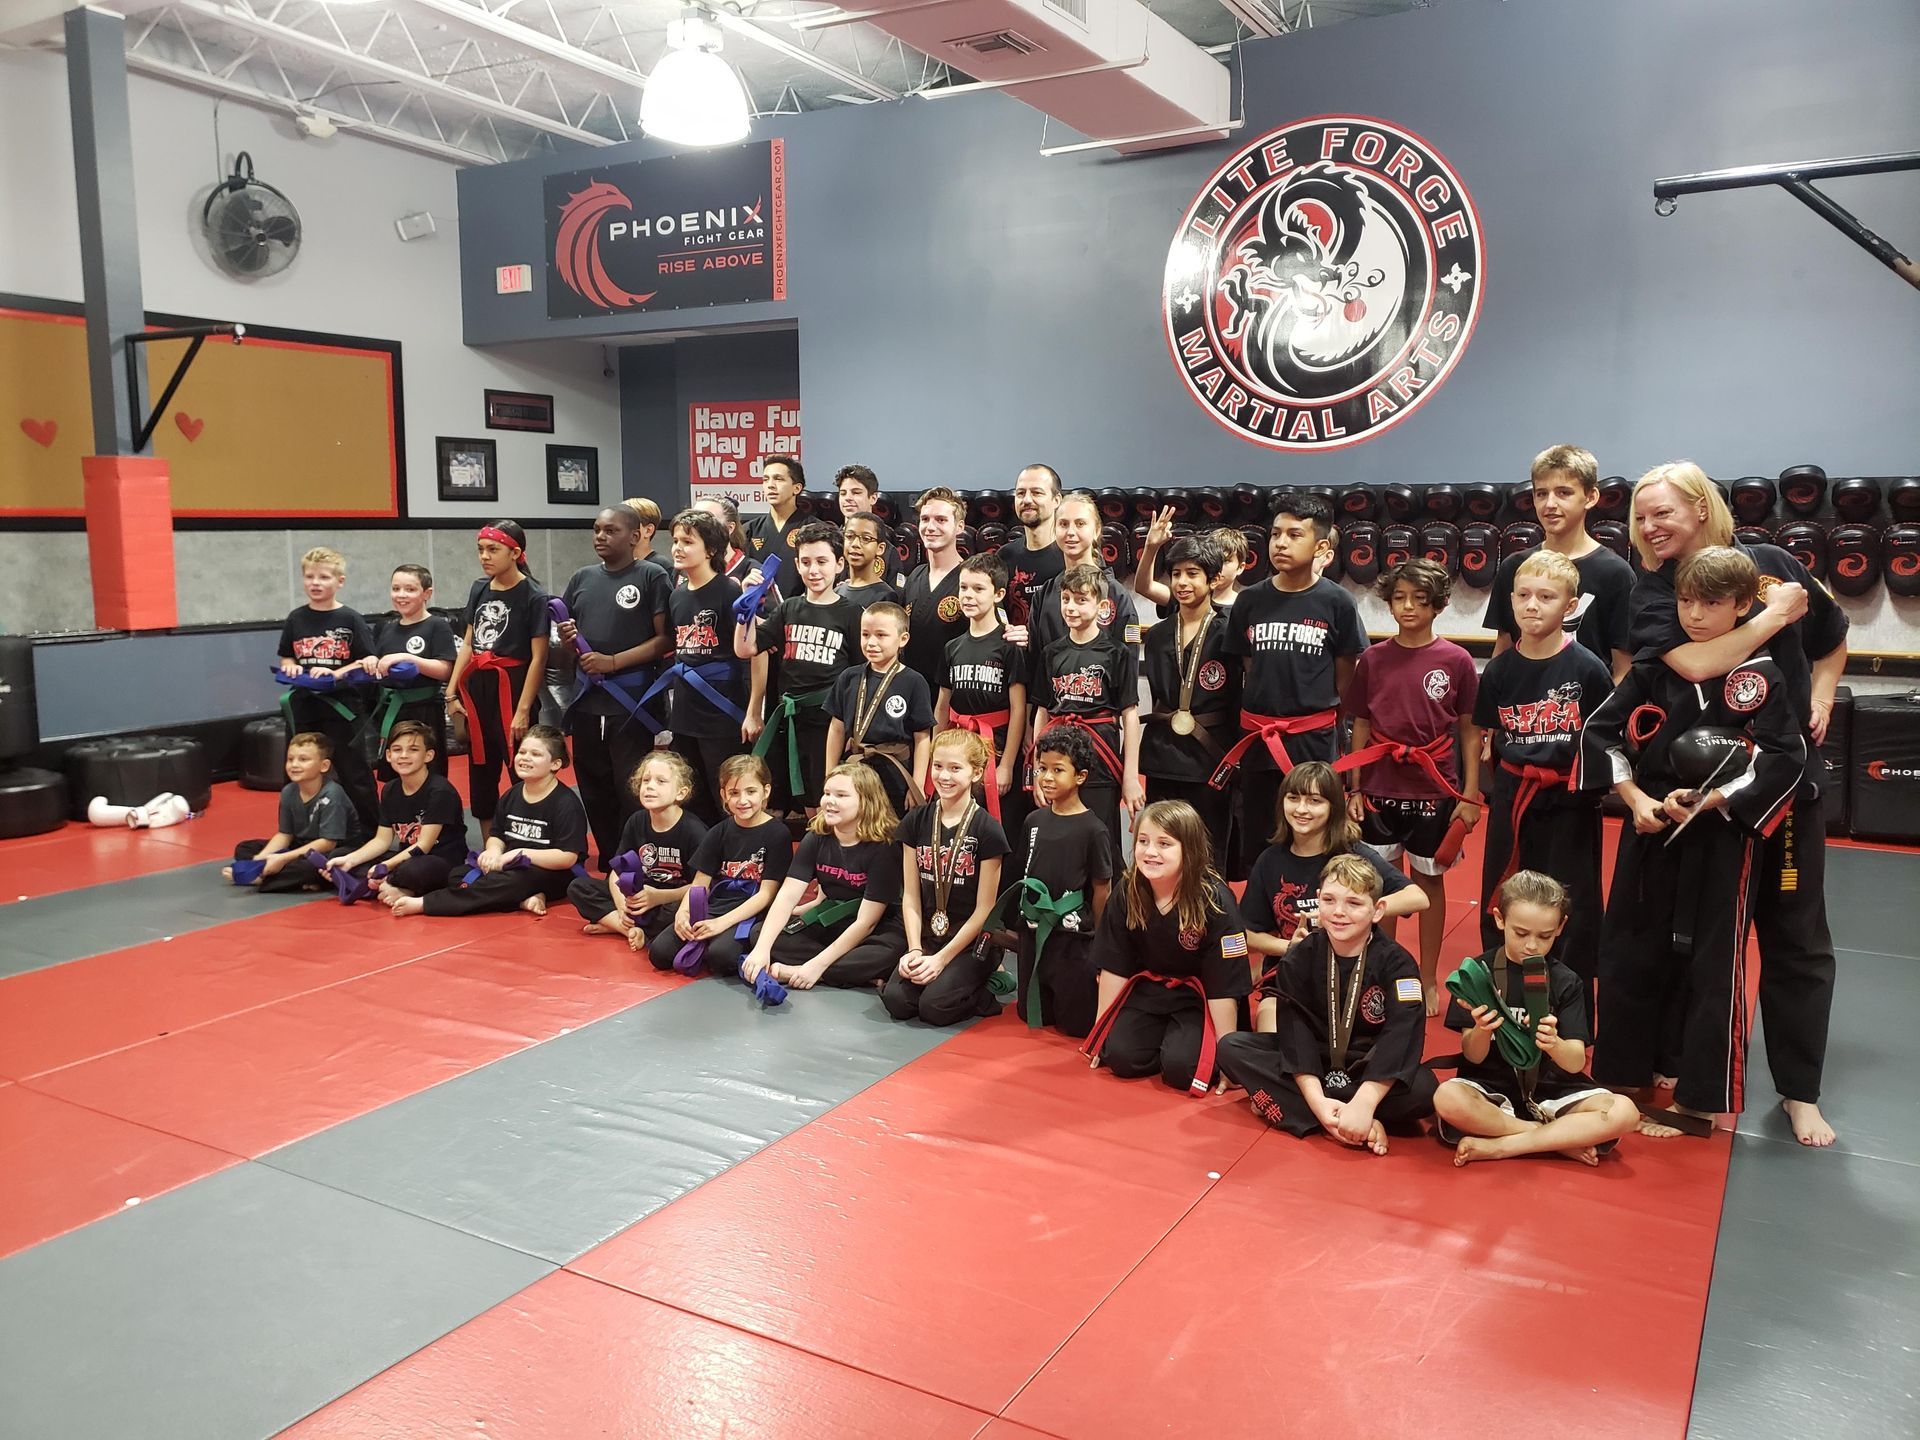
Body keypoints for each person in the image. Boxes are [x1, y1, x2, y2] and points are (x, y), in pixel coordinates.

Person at [1627, 461, 1846, 1148]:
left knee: (1796, 937)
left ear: (1700, 508)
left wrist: (1820, 692)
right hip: (1699, 796)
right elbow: (1694, 664)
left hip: (1782, 785)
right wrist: (1774, 616)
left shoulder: (1770, 563)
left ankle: (1798, 1092)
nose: (1650, 527)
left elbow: (1832, 635)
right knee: (1700, 942)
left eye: (1662, 512)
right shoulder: (1653, 589)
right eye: (1640, 516)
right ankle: (1693, 1080)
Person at [1581, 545, 1808, 1139]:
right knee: (1628, 942)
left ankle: (1699, 1100)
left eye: (1711, 604)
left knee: (1716, 958)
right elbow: (1600, 733)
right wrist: (1636, 801)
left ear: (1741, 606)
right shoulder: (1658, 666)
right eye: (1686, 600)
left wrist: (1711, 799)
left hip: (1723, 830)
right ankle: (1623, 1072)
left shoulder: (1760, 674)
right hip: (1651, 819)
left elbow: (1786, 756)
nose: (1695, 615)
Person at [1214, 854, 1438, 1153]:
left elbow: (1402, 1034)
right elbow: (1295, 1033)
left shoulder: (1398, 964)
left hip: (1367, 1064)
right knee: (1231, 1048)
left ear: (1378, 909)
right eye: (1330, 900)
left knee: (1425, 1090)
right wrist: (1318, 1103)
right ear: (1318, 901)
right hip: (1315, 1061)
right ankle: (1348, 1121)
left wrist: (1365, 1100)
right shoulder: (1299, 957)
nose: (1339, 912)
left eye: (1354, 903)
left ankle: (1327, 1110)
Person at [1472, 550, 1613, 1015]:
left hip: (1569, 797)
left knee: (1572, 901)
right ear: (1511, 601)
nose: (1533, 606)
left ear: (1570, 607)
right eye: (1524, 596)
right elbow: (1487, 734)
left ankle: (1571, 1010)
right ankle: (1500, 1002)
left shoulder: (1589, 669)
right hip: (1514, 796)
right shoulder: (1498, 671)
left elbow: (1604, 738)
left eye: (1546, 597)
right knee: (1504, 892)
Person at [1345, 557, 1482, 1013]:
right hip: (1380, 782)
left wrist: (1469, 796)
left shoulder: (1456, 660)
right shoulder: (1373, 658)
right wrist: (1354, 788)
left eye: (1419, 601)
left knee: (1429, 882)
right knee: (1381, 887)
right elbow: (1360, 725)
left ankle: (1425, 977)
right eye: (1399, 598)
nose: (1407, 608)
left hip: (1434, 785)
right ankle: (1387, 972)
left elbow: (1468, 731)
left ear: (1439, 606)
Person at [1436, 871, 1640, 1166]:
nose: (1531, 945)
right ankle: (1555, 1140)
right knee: (1446, 1097)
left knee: (1624, 1112)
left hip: (1550, 1087)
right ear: (1500, 919)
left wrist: (1553, 1043)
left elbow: (1574, 1062)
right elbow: (1473, 1056)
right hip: (1491, 1085)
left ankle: (1503, 1147)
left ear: (1560, 927)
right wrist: (1482, 1030)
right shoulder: (1477, 972)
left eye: (1544, 936)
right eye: (1521, 933)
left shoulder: (1566, 981)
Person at [1214, 491, 1367, 879]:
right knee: (1261, 839)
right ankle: (1262, 922)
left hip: (1312, 738)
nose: (1280, 543)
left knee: (1315, 835)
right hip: (1260, 739)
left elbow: (1346, 678)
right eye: (1276, 533)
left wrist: (1324, 721)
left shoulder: (1337, 603)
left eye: (1294, 535)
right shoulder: (1250, 601)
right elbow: (1250, 666)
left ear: (1320, 546)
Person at [1084, 800, 1248, 1095]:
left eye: (1165, 844)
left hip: (1199, 1000)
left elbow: (1225, 986)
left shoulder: (1215, 901)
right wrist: (1100, 1031)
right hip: (1150, 992)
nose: (1150, 852)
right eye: (1143, 841)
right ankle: (1162, 1040)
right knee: (1120, 1057)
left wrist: (1230, 1059)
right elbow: (1114, 964)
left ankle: (1178, 1045)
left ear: (1190, 849)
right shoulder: (1130, 890)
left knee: (1182, 1069)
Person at [558, 505, 673, 871]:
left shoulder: (651, 576)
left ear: (635, 536)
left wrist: (613, 661)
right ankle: (609, 854)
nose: (600, 537)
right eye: (597, 530)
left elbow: (664, 640)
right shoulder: (582, 578)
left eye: (611, 531)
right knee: (592, 779)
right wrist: (568, 641)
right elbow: (570, 645)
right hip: (588, 698)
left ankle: (635, 854)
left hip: (634, 698)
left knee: (632, 782)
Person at [881, 729, 1012, 1026]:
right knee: (897, 1001)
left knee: (934, 1007)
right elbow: (911, 896)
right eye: (938, 766)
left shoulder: (988, 830)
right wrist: (915, 949)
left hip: (972, 942)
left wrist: (941, 960)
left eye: (955, 768)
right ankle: (939, 974)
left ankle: (984, 987)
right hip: (929, 937)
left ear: (976, 772)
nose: (944, 776)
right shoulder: (916, 821)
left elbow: (985, 909)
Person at [1241, 761, 1426, 972]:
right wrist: (1290, 947)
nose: (1301, 809)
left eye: (1314, 801)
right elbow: (1247, 933)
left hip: (1351, 971)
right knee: (1269, 1007)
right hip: (1294, 970)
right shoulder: (1269, 861)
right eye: (1293, 798)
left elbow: (1417, 898)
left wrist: (1356, 908)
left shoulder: (1352, 853)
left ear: (1333, 807)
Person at [740, 763, 906, 993]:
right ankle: (848, 974)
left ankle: (803, 970)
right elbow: (787, 895)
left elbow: (866, 923)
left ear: (866, 801)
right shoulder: (817, 836)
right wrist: (762, 949)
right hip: (833, 921)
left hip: (876, 928)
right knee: (760, 933)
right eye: (827, 793)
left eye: (841, 795)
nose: (829, 801)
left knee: (886, 953)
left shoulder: (883, 847)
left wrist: (817, 966)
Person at [392, 725, 586, 918]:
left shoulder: (565, 802)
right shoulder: (512, 795)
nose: (525, 758)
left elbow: (567, 857)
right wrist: (493, 850)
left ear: (555, 764)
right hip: (509, 867)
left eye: (535, 754)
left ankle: (426, 904)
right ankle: (521, 900)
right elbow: (496, 834)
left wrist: (520, 853)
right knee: (457, 875)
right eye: (522, 752)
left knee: (512, 882)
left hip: (551, 872)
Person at [739, 520, 862, 819]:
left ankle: (826, 858)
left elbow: (861, 676)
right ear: (796, 564)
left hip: (828, 722)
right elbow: (746, 648)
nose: (814, 570)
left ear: (839, 564)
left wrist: (853, 727)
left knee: (823, 797)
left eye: (822, 561)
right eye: (806, 562)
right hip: (787, 718)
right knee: (781, 794)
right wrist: (748, 604)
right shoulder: (788, 608)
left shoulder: (851, 613)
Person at [1482, 445, 1634, 680]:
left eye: (1564, 493)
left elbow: (1623, 669)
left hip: (1586, 708)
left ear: (1591, 497)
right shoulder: (1514, 567)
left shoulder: (1615, 573)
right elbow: (1503, 648)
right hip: (1522, 709)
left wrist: (1600, 716)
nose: (1550, 504)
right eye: (1542, 493)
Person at [1000, 726, 1114, 1038]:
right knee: (1030, 1013)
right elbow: (1023, 871)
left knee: (1075, 1025)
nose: (1047, 778)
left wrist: (1100, 942)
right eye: (1042, 769)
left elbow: (1102, 888)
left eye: (1057, 770)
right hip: (1034, 933)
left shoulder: (1094, 830)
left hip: (1073, 938)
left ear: (1080, 776)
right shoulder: (1033, 821)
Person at [1031, 562, 1144, 851]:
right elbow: (1043, 711)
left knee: (1101, 839)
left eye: (1082, 600)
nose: (1071, 607)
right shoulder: (1051, 653)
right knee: (1058, 837)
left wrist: (1130, 776)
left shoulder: (1115, 652)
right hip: (1057, 757)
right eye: (1066, 599)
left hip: (1100, 758)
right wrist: (1037, 769)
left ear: (1101, 605)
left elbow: (1130, 715)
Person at [443, 521, 548, 831]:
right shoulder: (480, 588)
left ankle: (532, 835)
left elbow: (539, 657)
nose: (484, 557)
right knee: (480, 766)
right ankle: (490, 843)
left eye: (493, 550)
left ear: (515, 553)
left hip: (513, 687)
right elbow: (467, 643)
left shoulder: (534, 595)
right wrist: (451, 694)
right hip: (477, 687)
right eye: (480, 550)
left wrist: (524, 709)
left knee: (522, 764)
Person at [648, 755, 792, 979]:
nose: (742, 800)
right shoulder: (719, 831)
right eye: (734, 793)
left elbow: (766, 894)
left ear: (766, 791)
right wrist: (684, 914)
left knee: (721, 957)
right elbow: (700, 883)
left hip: (750, 912)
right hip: (716, 906)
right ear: (724, 795)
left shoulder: (777, 834)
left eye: (750, 792)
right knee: (659, 953)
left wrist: (721, 924)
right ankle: (707, 939)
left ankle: (715, 942)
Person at [1139, 535, 1240, 839]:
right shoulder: (1157, 636)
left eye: (1192, 574)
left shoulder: (1229, 634)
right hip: (1163, 754)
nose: (1182, 582)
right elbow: (1157, 698)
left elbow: (1237, 700)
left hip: (1211, 754)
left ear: (1213, 580)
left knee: (1208, 845)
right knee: (1163, 840)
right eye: (1176, 574)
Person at [276, 545, 379, 834]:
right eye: (310, 577)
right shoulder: (296, 618)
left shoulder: (350, 619)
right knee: (299, 767)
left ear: (339, 581)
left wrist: (336, 673)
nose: (315, 583)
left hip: (342, 708)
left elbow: (368, 660)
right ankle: (298, 830)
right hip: (304, 706)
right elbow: (286, 655)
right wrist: (291, 666)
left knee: (353, 770)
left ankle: (371, 830)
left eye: (323, 577)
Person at [663, 508, 751, 824]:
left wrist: (753, 710)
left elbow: (750, 651)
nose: (678, 548)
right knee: (689, 790)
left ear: (710, 550)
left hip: (722, 709)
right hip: (685, 709)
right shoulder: (677, 596)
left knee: (726, 788)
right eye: (675, 540)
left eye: (687, 541)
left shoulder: (729, 590)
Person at [568, 750, 707, 951]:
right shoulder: (636, 821)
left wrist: (658, 896)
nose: (650, 786)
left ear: (681, 793)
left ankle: (620, 924)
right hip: (639, 897)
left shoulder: (693, 831)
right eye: (646, 780)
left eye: (661, 781)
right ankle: (626, 927)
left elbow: (700, 887)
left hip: (669, 900)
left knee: (685, 912)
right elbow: (618, 869)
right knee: (578, 888)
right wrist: (621, 905)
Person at [318, 721, 467, 901]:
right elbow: (382, 840)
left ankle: (389, 884)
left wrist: (385, 868)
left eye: (413, 750)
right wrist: (351, 860)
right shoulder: (390, 790)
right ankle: (391, 885)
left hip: (438, 860)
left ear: (428, 755)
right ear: (388, 755)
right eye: (397, 750)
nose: (403, 756)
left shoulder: (440, 791)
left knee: (414, 870)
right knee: (338, 857)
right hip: (404, 858)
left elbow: (423, 846)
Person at [935, 553, 1026, 821]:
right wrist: (935, 755)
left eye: (978, 588)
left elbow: (1018, 710)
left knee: (994, 823)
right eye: (963, 587)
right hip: (959, 747)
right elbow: (942, 705)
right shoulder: (952, 647)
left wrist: (1007, 765)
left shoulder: (1009, 645)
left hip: (995, 747)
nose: (968, 595)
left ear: (998, 594)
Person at [825, 601, 934, 820]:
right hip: (855, 768)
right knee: (855, 827)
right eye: (865, 635)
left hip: (895, 772)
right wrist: (830, 775)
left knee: (891, 833)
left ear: (902, 639)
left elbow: (922, 737)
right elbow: (836, 729)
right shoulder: (849, 677)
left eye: (881, 635)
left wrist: (917, 785)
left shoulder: (914, 681)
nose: (871, 642)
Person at [224, 730, 356, 891]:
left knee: (310, 868)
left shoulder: (332, 794)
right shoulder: (289, 791)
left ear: (324, 766)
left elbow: (328, 842)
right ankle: (273, 874)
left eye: (303, 760)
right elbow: (285, 835)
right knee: (245, 848)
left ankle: (264, 878)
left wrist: (283, 858)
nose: (294, 765)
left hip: (333, 850)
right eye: (290, 759)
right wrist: (261, 858)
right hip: (301, 845)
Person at [359, 563, 456, 777]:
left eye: (410, 589)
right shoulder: (386, 627)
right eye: (396, 589)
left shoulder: (436, 626)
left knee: (426, 773)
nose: (401, 595)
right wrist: (369, 661)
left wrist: (408, 658)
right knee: (394, 773)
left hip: (423, 710)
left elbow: (445, 670)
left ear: (427, 593)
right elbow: (379, 663)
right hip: (390, 710)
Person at [1025, 491, 1138, 658]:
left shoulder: (1115, 594)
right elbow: (1035, 661)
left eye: (1080, 524)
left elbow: (1128, 663)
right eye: (1063, 524)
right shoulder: (1044, 595)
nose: (1071, 532)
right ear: (1054, 530)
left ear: (1096, 530)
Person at [899, 486, 969, 694]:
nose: (930, 527)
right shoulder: (914, 576)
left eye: (941, 519)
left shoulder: (973, 577)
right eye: (925, 519)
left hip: (953, 694)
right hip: (912, 693)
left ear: (960, 527)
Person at [995, 463, 1065, 634]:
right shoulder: (1004, 557)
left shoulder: (1072, 555)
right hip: (1018, 658)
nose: (1026, 500)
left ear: (1056, 500)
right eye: (1020, 493)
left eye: (1036, 493)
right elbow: (996, 615)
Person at [1131, 511, 1245, 610]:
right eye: (1215, 559)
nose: (1219, 566)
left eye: (1226, 561)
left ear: (1240, 567)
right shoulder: (1187, 596)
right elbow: (1144, 587)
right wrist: (1151, 547)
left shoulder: (1244, 607)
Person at [739, 456, 806, 579]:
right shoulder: (749, 530)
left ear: (796, 488)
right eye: (766, 479)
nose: (770, 485)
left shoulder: (812, 528)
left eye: (778, 479)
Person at [838, 510, 900, 610]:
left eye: (866, 538)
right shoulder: (837, 592)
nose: (855, 544)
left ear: (880, 548)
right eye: (850, 536)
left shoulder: (885, 596)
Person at [691, 495, 754, 586]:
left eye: (707, 520)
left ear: (729, 528)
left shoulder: (751, 571)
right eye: (693, 519)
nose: (698, 527)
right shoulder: (684, 569)